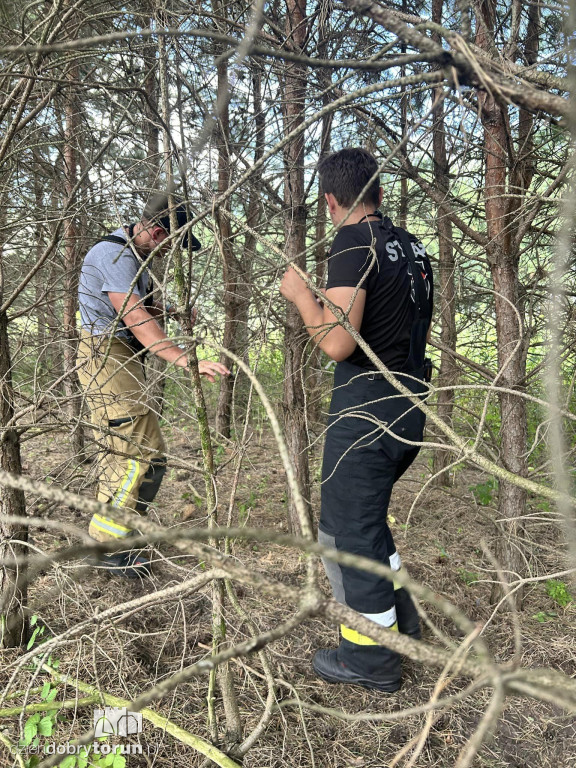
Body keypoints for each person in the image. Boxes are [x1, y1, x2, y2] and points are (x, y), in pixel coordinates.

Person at [280, 148, 433, 691]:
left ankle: (369, 660)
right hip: (408, 404)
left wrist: (302, 298)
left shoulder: (353, 243)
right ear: (380, 192)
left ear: (329, 202)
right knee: (366, 525)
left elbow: (340, 341)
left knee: (348, 533)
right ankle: (403, 628)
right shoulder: (409, 246)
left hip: (367, 413)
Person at [77, 194, 229, 578]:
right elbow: (133, 315)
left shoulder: (132, 256)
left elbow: (139, 307)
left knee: (146, 454)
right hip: (105, 357)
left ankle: (122, 534)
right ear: (158, 233)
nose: (169, 253)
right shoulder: (115, 256)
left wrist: (174, 312)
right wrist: (185, 359)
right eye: (171, 244)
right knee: (134, 455)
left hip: (120, 357)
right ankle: (107, 549)